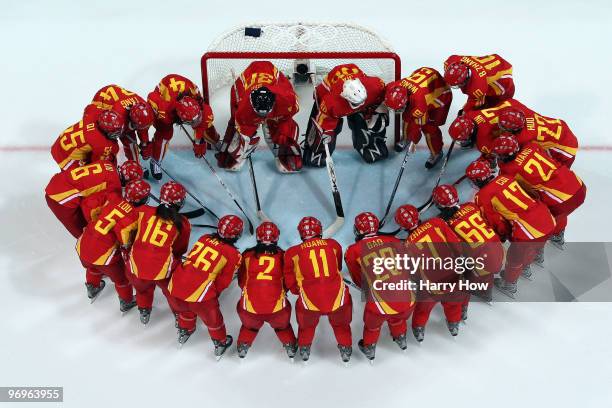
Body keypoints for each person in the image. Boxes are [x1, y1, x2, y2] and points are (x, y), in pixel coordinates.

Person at [465, 159, 556, 298]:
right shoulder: (505, 177)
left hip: (530, 230)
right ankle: (525, 266)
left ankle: (510, 284)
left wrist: (502, 235)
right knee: (532, 245)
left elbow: (496, 222)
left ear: (476, 181)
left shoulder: (482, 196)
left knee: (514, 257)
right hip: (547, 217)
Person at [168, 215, 243, 359]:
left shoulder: (204, 237)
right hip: (200, 294)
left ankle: (185, 329)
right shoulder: (234, 254)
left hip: (177, 283)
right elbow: (224, 281)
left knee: (185, 309)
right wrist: (213, 292)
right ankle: (220, 343)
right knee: (213, 319)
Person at [491, 135, 586, 248]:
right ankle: (558, 236)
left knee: (541, 214)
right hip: (577, 184)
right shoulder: (532, 146)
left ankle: (541, 246)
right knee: (554, 206)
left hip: (562, 202)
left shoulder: (507, 171)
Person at [344, 212, 415, 362]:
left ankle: (369, 348)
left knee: (372, 327)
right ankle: (401, 338)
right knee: (398, 319)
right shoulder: (394, 240)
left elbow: (358, 280)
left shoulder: (353, 250)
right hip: (408, 298)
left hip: (379, 306)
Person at [283, 216, 353, 363]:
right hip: (338, 298)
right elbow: (338, 267)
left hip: (309, 301)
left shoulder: (291, 253)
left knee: (306, 327)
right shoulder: (334, 244)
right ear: (319, 230)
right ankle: (346, 349)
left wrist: (298, 291)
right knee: (341, 325)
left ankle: (304, 349)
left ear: (301, 233)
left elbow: (289, 279)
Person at [121, 181, 191, 324]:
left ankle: (144, 310)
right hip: (162, 270)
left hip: (135, 265)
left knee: (142, 289)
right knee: (171, 293)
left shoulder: (142, 211)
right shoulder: (183, 223)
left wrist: (128, 247)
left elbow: (126, 229)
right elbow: (179, 250)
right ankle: (182, 320)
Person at [394, 205, 466, 342]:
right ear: (418, 215)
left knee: (423, 308)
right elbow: (456, 244)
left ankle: (419, 329)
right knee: (454, 303)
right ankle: (454, 324)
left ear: (402, 227)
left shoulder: (406, 245)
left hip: (432, 284)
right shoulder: (436, 223)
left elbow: (412, 272)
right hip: (453, 274)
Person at [76, 178, 150, 310]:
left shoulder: (114, 200)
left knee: (92, 267)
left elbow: (94, 211)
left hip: (84, 244)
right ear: (141, 200)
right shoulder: (133, 215)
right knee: (122, 279)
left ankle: (92, 287)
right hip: (103, 254)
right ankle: (126, 301)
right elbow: (124, 238)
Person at [216, 61, 302, 173]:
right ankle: (248, 147)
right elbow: (241, 129)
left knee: (284, 130)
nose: (263, 117)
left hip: (271, 75)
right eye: (260, 114)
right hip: (246, 83)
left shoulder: (287, 100)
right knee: (237, 127)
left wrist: (281, 134)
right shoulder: (243, 107)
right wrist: (244, 142)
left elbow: (287, 119)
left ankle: (281, 147)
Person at [432, 184, 505, 308]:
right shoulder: (471, 206)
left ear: (438, 205)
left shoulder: (443, 223)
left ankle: (483, 293)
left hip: (484, 261)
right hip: (499, 249)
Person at [303, 63, 388, 166]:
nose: (360, 105)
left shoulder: (375, 85)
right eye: (355, 104)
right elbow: (323, 121)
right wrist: (326, 134)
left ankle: (370, 144)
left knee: (375, 118)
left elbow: (382, 99)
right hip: (332, 78)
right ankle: (317, 150)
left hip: (354, 71)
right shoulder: (332, 103)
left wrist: (373, 113)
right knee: (321, 125)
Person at [234, 221, 297, 359]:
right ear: (276, 237)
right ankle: (290, 346)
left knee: (249, 326)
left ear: (257, 236)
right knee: (283, 327)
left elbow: (242, 281)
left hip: (248, 310)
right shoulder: (283, 255)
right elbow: (288, 280)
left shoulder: (247, 255)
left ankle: (243, 346)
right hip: (278, 310)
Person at [147, 74, 220, 179]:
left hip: (182, 95)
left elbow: (201, 125)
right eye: (190, 122)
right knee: (165, 133)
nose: (196, 123)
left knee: (205, 123)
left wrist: (199, 142)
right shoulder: (165, 111)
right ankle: (156, 161)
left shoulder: (203, 107)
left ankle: (216, 142)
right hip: (165, 94)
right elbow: (151, 96)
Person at [385, 67, 452, 168]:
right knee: (408, 117)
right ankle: (406, 138)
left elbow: (419, 126)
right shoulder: (392, 87)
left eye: (399, 108)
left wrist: (414, 139)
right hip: (425, 83)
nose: (396, 112)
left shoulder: (418, 103)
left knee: (429, 128)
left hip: (441, 96)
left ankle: (436, 152)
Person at [45, 160, 123, 238]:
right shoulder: (115, 184)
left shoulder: (108, 164)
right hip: (58, 196)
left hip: (59, 180)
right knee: (87, 237)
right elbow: (89, 203)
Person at [83, 84, 154, 165]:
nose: (141, 129)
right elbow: (115, 136)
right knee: (111, 143)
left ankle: (135, 164)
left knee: (130, 141)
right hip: (102, 101)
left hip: (118, 100)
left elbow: (143, 125)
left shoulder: (143, 105)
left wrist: (145, 143)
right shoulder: (118, 117)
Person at [51, 111, 124, 171]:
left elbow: (89, 108)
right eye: (114, 132)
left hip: (60, 142)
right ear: (105, 130)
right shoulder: (101, 143)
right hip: (64, 156)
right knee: (83, 177)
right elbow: (98, 165)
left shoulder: (93, 115)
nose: (118, 133)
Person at [443, 54, 514, 112]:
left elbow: (474, 102)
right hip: (490, 65)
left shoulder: (478, 86)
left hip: (503, 76)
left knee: (497, 107)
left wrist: (465, 112)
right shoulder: (450, 61)